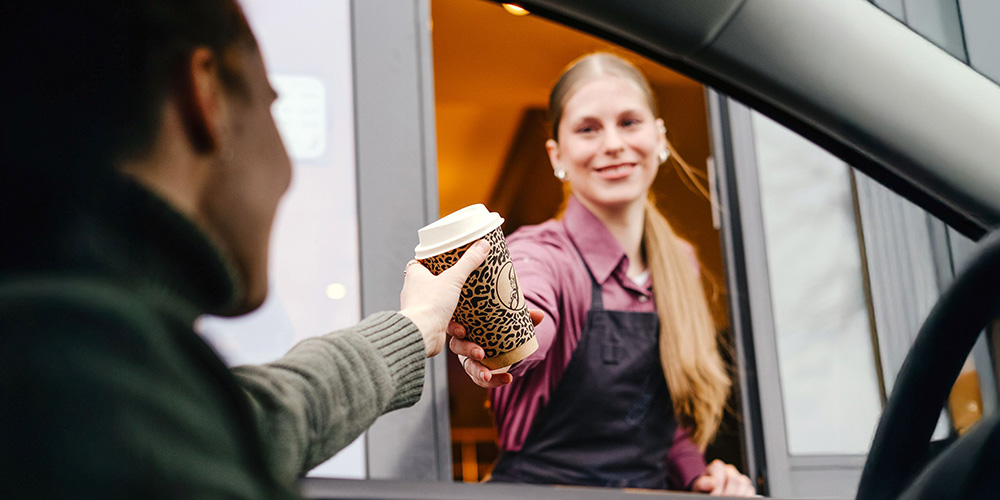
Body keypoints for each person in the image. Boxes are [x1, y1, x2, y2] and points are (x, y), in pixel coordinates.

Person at [0, 1, 492, 498]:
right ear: (205, 92)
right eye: (271, 104)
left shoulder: (93, 367)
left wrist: (413, 327)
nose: (286, 169)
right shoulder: (88, 371)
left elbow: (267, 418)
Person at [448, 53, 756, 496]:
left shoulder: (681, 262)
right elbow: (528, 321)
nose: (612, 143)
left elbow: (662, 424)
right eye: (588, 128)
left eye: (629, 122)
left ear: (660, 136)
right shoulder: (539, 253)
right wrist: (503, 343)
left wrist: (700, 475)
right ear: (557, 154)